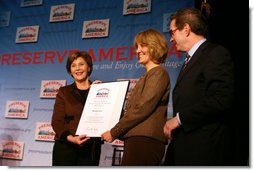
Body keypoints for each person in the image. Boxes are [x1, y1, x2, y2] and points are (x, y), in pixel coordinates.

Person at [163, 7, 235, 166]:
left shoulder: (215, 53)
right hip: (184, 148)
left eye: (172, 32)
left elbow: (220, 99)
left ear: (186, 29)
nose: (171, 39)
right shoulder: (190, 59)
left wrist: (179, 119)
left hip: (203, 151)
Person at [101, 29, 171, 166]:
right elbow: (133, 110)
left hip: (146, 141)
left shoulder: (159, 73)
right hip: (138, 140)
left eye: (142, 46)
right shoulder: (147, 76)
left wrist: (115, 131)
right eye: (136, 47)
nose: (137, 51)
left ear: (154, 46)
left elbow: (142, 108)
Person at [51, 51, 102, 166]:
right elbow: (57, 122)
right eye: (73, 66)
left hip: (90, 149)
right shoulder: (64, 92)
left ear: (89, 68)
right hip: (66, 148)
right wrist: (71, 138)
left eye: (81, 64)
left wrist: (96, 92)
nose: (77, 68)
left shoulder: (99, 90)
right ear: (70, 71)